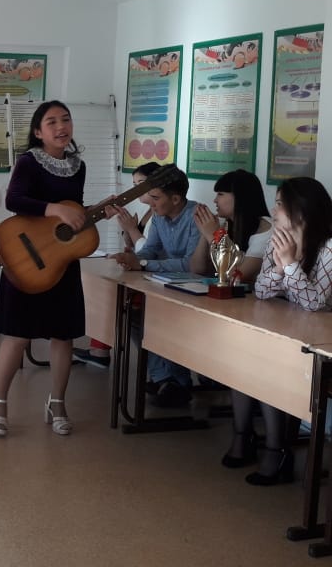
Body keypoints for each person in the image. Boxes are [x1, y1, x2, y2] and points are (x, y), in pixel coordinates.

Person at [0, 100, 91, 437]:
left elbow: (73, 211)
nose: (61, 127)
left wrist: (83, 216)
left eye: (66, 120)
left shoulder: (79, 166)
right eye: (52, 122)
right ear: (37, 131)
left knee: (64, 335)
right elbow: (14, 200)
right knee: (17, 334)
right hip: (26, 258)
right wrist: (55, 209)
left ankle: (57, 403)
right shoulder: (29, 162)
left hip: (62, 261)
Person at [224, 177, 332, 485]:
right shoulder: (279, 239)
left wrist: (290, 265)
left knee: (266, 367)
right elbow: (261, 290)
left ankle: (277, 451)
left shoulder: (328, 247)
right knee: (243, 360)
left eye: (281, 203)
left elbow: (314, 303)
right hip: (287, 331)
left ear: (302, 209)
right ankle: (243, 436)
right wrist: (283, 265)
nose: (274, 210)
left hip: (318, 343)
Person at [110, 166, 200, 407]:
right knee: (134, 317)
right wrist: (132, 259)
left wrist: (143, 263)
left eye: (155, 197)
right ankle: (165, 378)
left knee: (163, 323)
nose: (150, 203)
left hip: (195, 290)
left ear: (176, 199)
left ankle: (176, 381)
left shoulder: (196, 216)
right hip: (166, 286)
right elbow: (150, 250)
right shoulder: (160, 216)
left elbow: (191, 265)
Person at [73, 161, 161, 369]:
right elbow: (139, 248)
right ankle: (99, 349)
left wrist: (132, 230)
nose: (137, 189)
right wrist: (127, 236)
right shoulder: (148, 212)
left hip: (152, 277)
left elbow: (150, 252)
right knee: (103, 285)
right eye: (134, 184)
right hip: (141, 270)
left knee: (109, 292)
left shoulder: (159, 213)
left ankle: (100, 351)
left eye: (141, 184)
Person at [189, 169, 271, 281]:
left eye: (220, 194)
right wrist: (205, 232)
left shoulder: (266, 230)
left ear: (240, 197)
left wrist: (213, 236)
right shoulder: (224, 224)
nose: (215, 200)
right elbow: (197, 269)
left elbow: (236, 276)